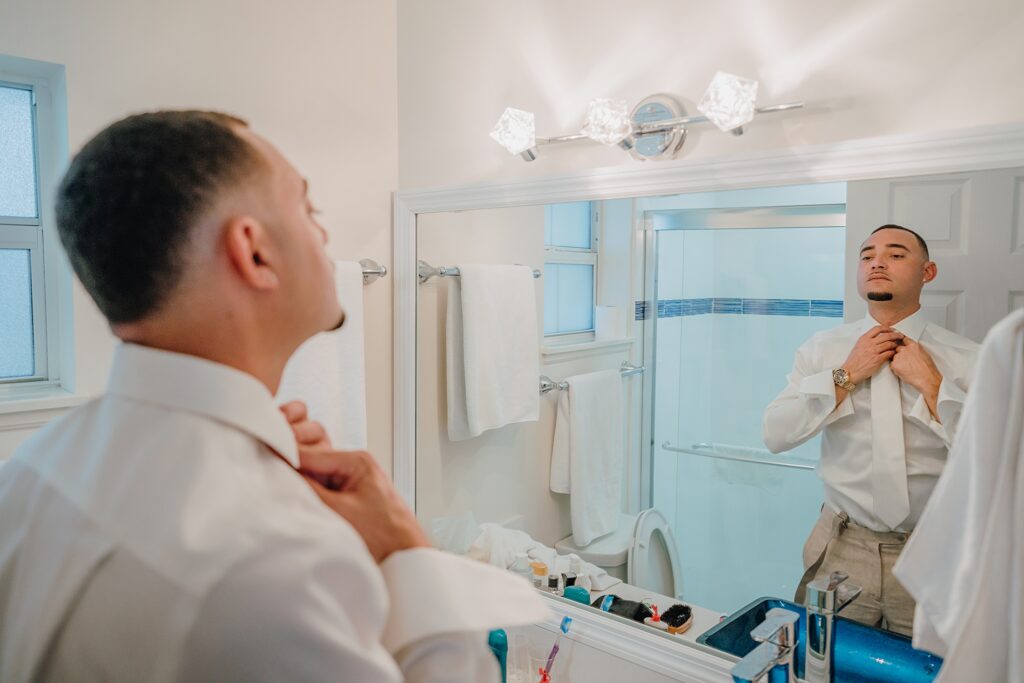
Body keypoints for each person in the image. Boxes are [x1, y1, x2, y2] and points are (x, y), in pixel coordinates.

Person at [0, 111, 546, 682]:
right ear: (254, 252)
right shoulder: (276, 564)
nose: (325, 236)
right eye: (310, 211)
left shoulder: (30, 473)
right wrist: (405, 550)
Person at [762, 224, 978, 635]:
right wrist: (844, 376)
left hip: (935, 551)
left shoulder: (968, 359)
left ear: (927, 272)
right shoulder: (822, 350)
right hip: (841, 547)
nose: (877, 262)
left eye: (896, 254)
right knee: (828, 664)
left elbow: (997, 458)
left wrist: (932, 385)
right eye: (867, 255)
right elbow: (775, 434)